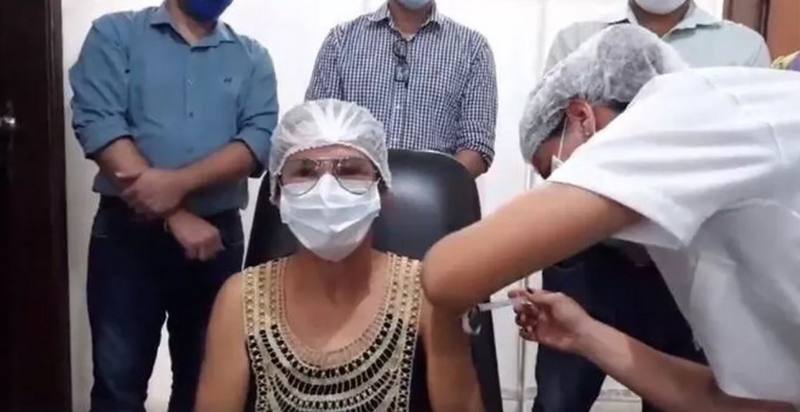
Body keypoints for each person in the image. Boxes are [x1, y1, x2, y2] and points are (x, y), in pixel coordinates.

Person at [422, 25, 800, 411]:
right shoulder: (695, 218)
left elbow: (446, 273)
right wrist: (583, 333)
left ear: (582, 118)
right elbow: (738, 403)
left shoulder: (674, 116)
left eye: (556, 174)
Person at [533, 2, 770, 410]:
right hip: (588, 257)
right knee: (559, 401)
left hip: (689, 267)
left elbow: (749, 163)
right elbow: (552, 150)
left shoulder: (743, 50)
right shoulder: (577, 41)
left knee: (681, 396)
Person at [195, 99, 484, 412]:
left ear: (382, 190)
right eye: (305, 171)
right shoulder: (240, 300)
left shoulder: (427, 297)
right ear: (278, 194)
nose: (327, 190)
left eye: (349, 170)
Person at [69, 0, 278, 410]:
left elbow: (257, 141)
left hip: (215, 239)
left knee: (205, 384)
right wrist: (174, 216)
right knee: (117, 385)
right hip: (127, 236)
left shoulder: (252, 56)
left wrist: (178, 184)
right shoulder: (114, 35)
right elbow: (99, 124)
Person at [306, 0, 497, 178]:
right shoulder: (341, 41)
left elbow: (476, 147)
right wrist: (356, 183)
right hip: (351, 195)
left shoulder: (473, 49)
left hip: (435, 199)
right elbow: (317, 133)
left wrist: (430, 188)